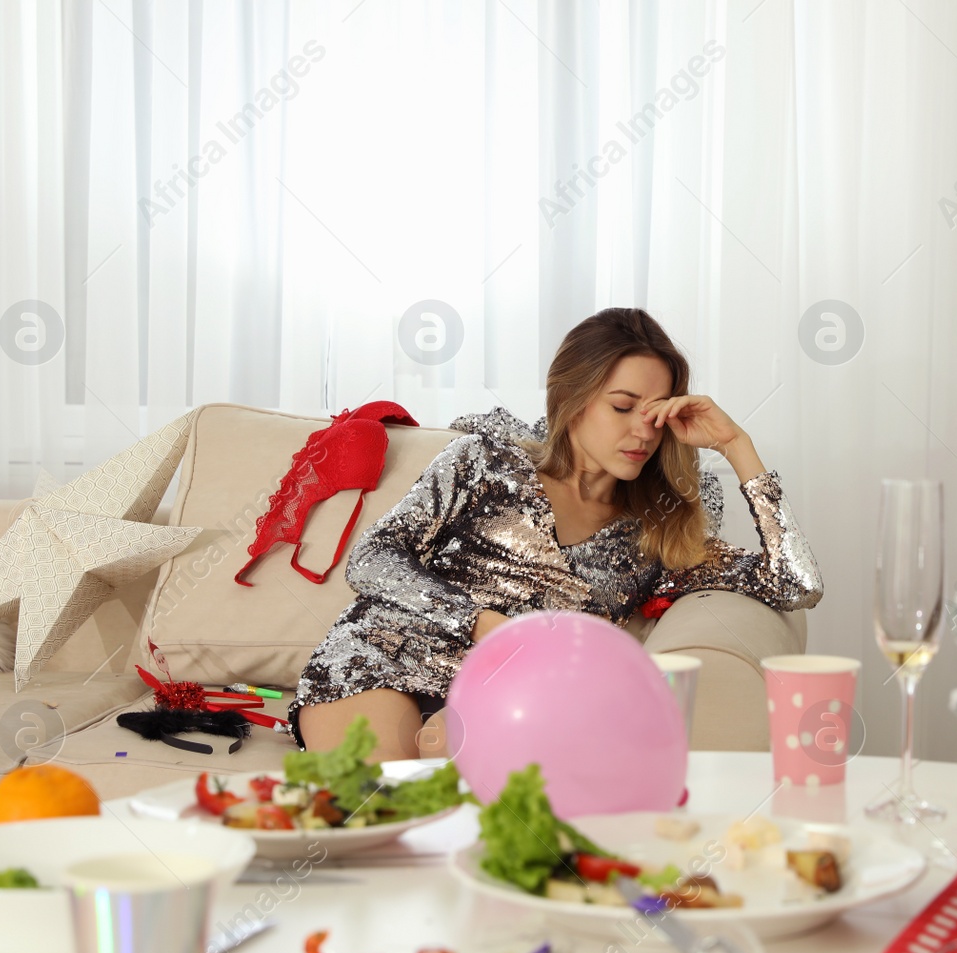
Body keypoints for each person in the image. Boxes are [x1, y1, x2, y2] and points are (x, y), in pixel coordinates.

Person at [289, 307, 823, 756]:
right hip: (387, 653)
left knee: (472, 823)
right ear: (572, 399)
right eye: (622, 406)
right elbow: (373, 558)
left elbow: (797, 585)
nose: (644, 429)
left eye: (656, 414)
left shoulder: (660, 529)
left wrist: (738, 447)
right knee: (383, 806)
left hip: (517, 695)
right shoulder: (485, 460)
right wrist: (482, 624)